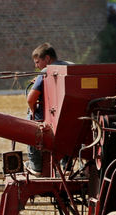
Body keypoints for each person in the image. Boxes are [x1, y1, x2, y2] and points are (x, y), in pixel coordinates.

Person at [26, 43, 71, 173]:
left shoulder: (46, 72)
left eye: (37, 62)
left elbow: (31, 99)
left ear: (46, 59)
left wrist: (33, 110)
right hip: (72, 116)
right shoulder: (71, 66)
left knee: (30, 121)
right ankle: (66, 165)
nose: (36, 66)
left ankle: (36, 165)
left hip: (54, 118)